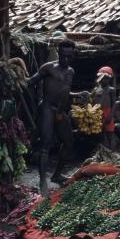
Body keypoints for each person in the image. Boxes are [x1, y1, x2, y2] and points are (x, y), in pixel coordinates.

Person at [26, 39, 76, 196]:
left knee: (68, 142)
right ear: (59, 53)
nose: (66, 59)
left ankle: (56, 174)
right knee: (46, 143)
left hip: (61, 110)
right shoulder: (48, 68)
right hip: (47, 108)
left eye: (69, 56)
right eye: (63, 56)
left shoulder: (71, 71)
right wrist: (20, 80)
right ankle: (42, 180)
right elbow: (31, 81)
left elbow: (65, 91)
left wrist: (78, 94)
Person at [91, 66, 116, 150]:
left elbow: (114, 104)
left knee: (110, 134)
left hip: (108, 112)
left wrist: (110, 115)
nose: (103, 80)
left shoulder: (111, 89)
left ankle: (112, 152)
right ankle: (103, 151)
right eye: (101, 77)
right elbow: (91, 101)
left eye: (105, 78)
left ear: (109, 79)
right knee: (100, 133)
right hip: (97, 113)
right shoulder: (95, 89)